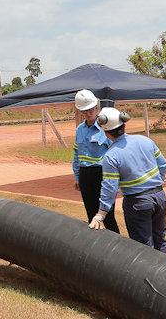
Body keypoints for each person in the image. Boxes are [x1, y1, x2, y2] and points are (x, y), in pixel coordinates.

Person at [88, 107, 166, 253]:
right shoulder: (145, 140)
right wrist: (156, 182)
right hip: (159, 197)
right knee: (160, 240)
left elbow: (110, 187)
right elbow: (163, 165)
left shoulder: (111, 156)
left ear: (106, 133)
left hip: (138, 203)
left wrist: (101, 213)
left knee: (144, 247)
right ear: (124, 125)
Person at [72, 90, 119, 233]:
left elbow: (116, 155)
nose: (89, 113)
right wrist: (77, 177)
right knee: (91, 215)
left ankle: (116, 244)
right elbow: (77, 154)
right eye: (85, 111)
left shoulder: (106, 128)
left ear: (96, 107)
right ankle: (95, 245)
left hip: (102, 174)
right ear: (80, 111)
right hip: (85, 175)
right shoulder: (80, 129)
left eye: (91, 109)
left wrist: (115, 180)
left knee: (108, 216)